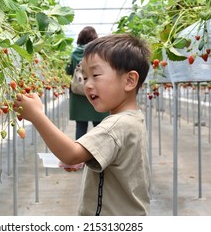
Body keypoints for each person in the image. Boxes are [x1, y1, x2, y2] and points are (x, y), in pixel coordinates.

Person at [13, 33, 151, 216]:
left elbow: (71, 154)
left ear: (129, 80)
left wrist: (37, 116)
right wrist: (87, 159)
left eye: (95, 75)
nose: (87, 85)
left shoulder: (116, 125)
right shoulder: (133, 118)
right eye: (85, 77)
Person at [66, 26, 109, 140]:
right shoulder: (99, 53)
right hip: (96, 93)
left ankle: (80, 156)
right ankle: (98, 154)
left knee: (80, 128)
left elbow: (68, 70)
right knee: (99, 127)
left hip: (78, 93)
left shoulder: (74, 53)